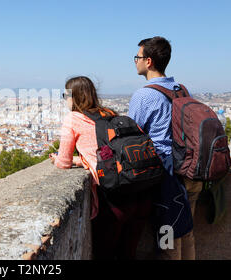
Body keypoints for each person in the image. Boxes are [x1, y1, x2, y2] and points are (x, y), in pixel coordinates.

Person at [49, 76, 152, 260]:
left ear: (74, 97)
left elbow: (63, 163)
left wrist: (56, 159)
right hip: (139, 192)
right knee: (128, 254)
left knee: (104, 254)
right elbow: (104, 152)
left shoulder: (73, 118)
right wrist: (82, 160)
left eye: (65, 95)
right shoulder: (109, 113)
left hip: (112, 199)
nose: (64, 99)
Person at [128, 36, 202, 260]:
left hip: (168, 176)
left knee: (167, 237)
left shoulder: (144, 95)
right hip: (191, 170)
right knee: (186, 231)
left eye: (137, 57)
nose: (135, 61)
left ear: (148, 61)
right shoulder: (181, 89)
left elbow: (130, 137)